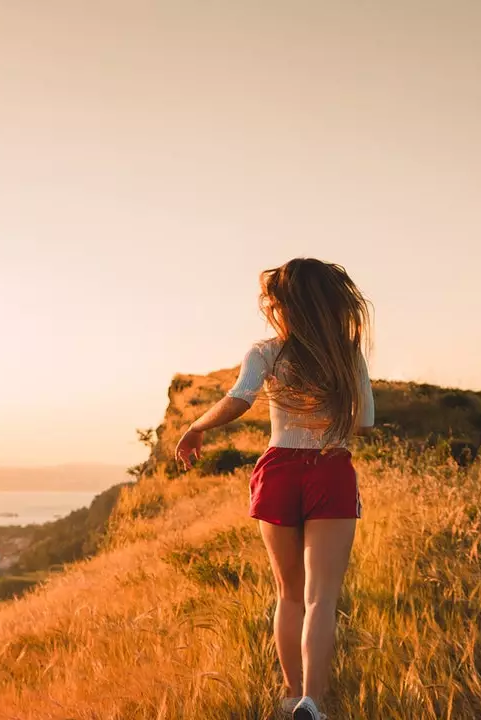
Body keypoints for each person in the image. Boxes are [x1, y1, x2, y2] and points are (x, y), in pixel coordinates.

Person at [175, 258, 374, 720]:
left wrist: (195, 427)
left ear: (282, 305)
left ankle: (289, 695)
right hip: (331, 467)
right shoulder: (348, 353)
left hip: (278, 469)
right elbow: (364, 423)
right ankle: (314, 702)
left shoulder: (266, 352)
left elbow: (238, 400)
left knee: (288, 594)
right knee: (321, 597)